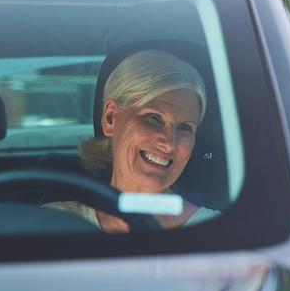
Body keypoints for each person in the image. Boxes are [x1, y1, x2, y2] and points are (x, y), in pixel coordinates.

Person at [47, 49, 219, 233]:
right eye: (153, 118)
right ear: (110, 118)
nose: (169, 143)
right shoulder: (52, 223)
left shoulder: (220, 233)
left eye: (185, 128)